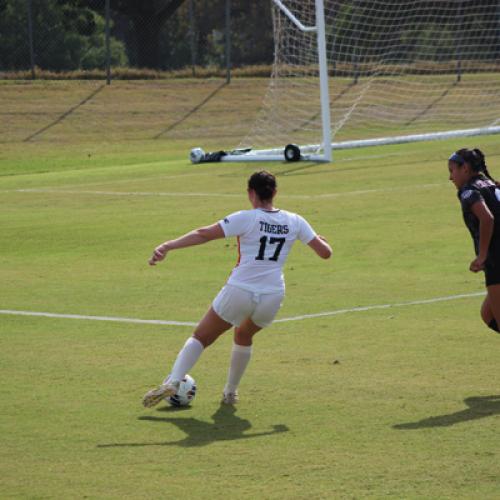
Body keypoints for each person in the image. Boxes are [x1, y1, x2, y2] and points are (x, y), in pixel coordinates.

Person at [143, 170, 332, 407]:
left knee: (201, 336)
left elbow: (204, 235)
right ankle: (230, 393)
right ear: (275, 192)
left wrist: (168, 246)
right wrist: (320, 240)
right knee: (244, 334)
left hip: (240, 289)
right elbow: (325, 253)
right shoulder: (295, 220)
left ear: (250, 193)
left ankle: (174, 380)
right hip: (272, 296)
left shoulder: (247, 218)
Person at [448, 148, 500, 334]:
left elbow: (487, 219)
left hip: (496, 261)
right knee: (488, 315)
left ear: (466, 168)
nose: (450, 177)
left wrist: (482, 255)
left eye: (452, 170)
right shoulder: (492, 185)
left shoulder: (469, 191)